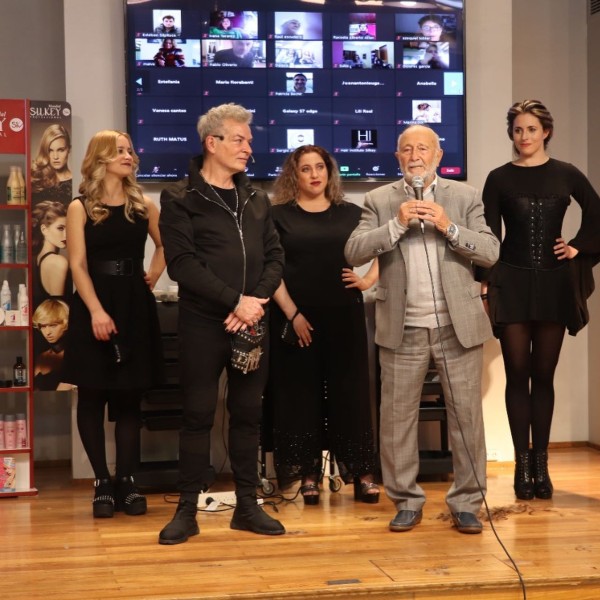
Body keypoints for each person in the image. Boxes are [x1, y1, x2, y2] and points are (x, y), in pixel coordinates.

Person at [345, 125, 500, 534]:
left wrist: (449, 226)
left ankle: (466, 503)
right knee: (397, 421)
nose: (415, 156)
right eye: (407, 149)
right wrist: (395, 225)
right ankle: (407, 501)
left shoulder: (464, 196)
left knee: (466, 419)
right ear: (397, 157)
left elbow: (490, 251)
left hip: (456, 326)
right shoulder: (380, 200)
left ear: (438, 155)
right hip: (403, 327)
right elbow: (354, 251)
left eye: (423, 149)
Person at [157, 103, 285, 545]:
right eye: (239, 140)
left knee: (248, 414)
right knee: (196, 415)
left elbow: (275, 257)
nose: (248, 147)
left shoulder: (257, 198)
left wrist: (253, 302)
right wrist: (235, 301)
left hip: (251, 323)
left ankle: (248, 507)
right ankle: (186, 511)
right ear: (211, 143)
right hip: (202, 323)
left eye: (249, 140)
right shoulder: (179, 198)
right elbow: (181, 264)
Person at [480, 100, 600, 501]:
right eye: (518, 130)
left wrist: (578, 247)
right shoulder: (498, 178)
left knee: (543, 376)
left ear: (545, 131)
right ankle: (521, 465)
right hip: (511, 284)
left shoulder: (567, 173)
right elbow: (488, 236)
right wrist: (485, 285)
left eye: (531, 129)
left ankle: (541, 465)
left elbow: (597, 214)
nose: (524, 136)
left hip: (553, 284)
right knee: (517, 375)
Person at [267, 145, 380, 505]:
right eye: (306, 169)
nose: (314, 174)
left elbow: (385, 246)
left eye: (320, 167)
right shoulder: (277, 215)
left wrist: (367, 280)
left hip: (344, 315)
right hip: (297, 318)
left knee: (351, 393)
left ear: (330, 172)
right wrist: (293, 314)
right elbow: (270, 270)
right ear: (294, 174)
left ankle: (362, 473)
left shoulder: (352, 214)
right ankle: (309, 474)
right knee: (301, 395)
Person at [63, 130, 165, 519]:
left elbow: (167, 244)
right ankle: (102, 482)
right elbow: (77, 265)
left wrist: (154, 274)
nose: (128, 156)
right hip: (95, 302)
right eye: (119, 151)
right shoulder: (80, 207)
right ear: (101, 158)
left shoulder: (143, 205)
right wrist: (96, 311)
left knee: (128, 397)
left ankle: (126, 480)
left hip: (133, 304)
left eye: (130, 150)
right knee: (91, 396)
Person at [31, 200, 72, 309]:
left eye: (68, 228)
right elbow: (57, 310)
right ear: (44, 229)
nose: (66, 235)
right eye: (60, 228)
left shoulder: (35, 259)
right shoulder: (58, 262)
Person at [32, 299, 71, 391]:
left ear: (65, 324)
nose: (47, 332)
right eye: (43, 326)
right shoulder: (42, 357)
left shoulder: (75, 355)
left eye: (53, 325)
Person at [31, 124, 72, 205]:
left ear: (69, 149)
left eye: (61, 150)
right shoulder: (36, 179)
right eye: (50, 150)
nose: (55, 157)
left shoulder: (78, 181)